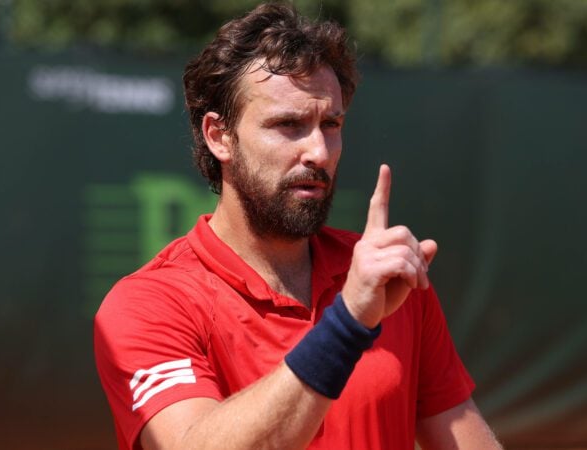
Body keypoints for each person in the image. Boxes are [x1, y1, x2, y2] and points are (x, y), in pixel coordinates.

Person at [94, 3, 502, 449]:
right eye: (288, 124)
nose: (319, 153)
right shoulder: (148, 305)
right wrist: (348, 323)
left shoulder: (387, 281)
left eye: (331, 124)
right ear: (219, 136)